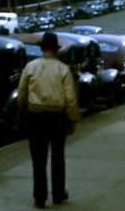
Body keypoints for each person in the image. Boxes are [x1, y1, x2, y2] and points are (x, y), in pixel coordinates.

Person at [17, 31, 80, 209]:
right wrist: (73, 119)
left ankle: (40, 197)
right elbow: (70, 98)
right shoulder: (63, 69)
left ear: (42, 48)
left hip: (35, 115)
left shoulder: (30, 67)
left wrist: (22, 112)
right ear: (56, 50)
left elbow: (22, 93)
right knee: (58, 156)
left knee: (38, 158)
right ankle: (58, 193)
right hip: (57, 117)